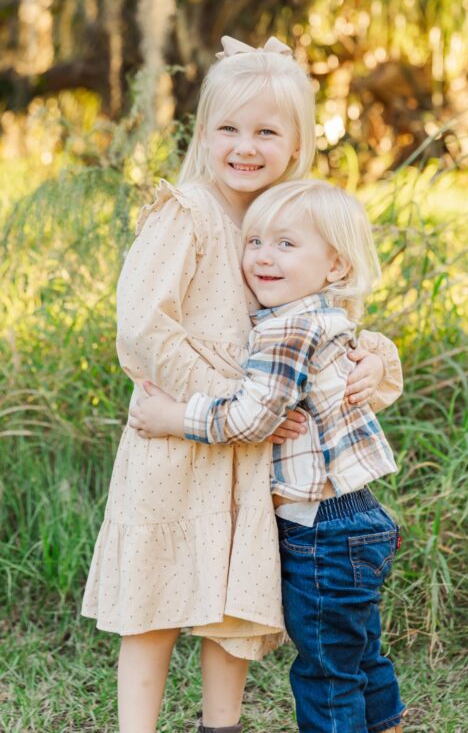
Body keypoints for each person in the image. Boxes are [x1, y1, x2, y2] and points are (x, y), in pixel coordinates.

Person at [81, 38, 402, 733]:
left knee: (228, 603)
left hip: (246, 461)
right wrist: (223, 397)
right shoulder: (188, 212)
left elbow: (330, 325)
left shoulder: (287, 219)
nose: (244, 146)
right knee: (157, 600)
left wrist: (375, 358)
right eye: (228, 128)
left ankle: (217, 725)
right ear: (202, 134)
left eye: (265, 131)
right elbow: (143, 326)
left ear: (295, 144)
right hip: (179, 444)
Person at [129, 179, 405, 733]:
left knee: (326, 671)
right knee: (359, 652)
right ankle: (386, 723)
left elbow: (253, 419)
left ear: (334, 267)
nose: (262, 256)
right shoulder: (319, 317)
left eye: (286, 244)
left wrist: (174, 418)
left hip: (323, 529)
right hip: (355, 518)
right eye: (254, 241)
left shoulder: (287, 330)